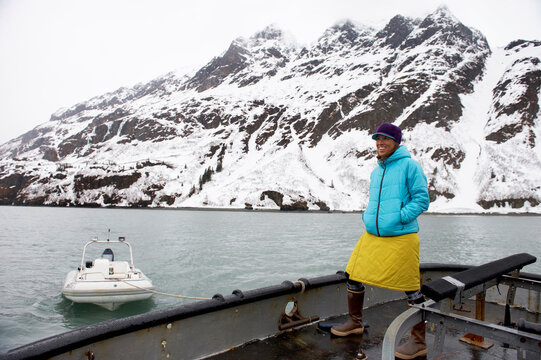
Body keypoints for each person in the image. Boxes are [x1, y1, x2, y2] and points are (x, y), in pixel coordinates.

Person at [330, 123, 430, 360]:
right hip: (373, 235)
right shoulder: (377, 170)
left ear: (396, 141)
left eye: (385, 139)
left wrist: (399, 217)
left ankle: (419, 340)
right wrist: (368, 217)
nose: (380, 143)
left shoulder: (410, 166)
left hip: (402, 236)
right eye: (377, 139)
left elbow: (422, 200)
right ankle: (355, 322)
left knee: (411, 287)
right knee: (353, 275)